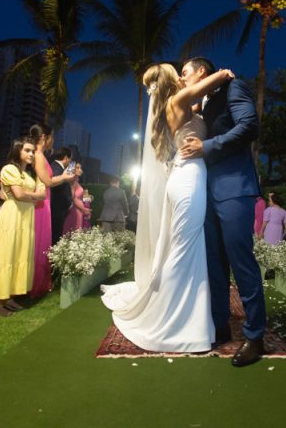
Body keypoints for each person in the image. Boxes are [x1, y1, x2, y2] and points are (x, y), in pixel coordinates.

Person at [101, 63, 235, 353]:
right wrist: (223, 74)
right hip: (188, 178)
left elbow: (199, 103)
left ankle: (189, 319)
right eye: (179, 72)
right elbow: (207, 85)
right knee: (184, 249)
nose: (183, 74)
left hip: (185, 176)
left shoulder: (179, 105)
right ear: (171, 80)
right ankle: (167, 320)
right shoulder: (178, 100)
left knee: (184, 246)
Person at [179, 57, 267, 367]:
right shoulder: (201, 104)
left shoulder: (232, 88)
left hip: (234, 188)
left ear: (202, 71)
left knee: (240, 260)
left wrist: (207, 145)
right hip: (206, 191)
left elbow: (249, 126)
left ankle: (255, 336)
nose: (181, 77)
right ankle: (219, 325)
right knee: (214, 261)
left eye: (185, 72)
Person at [0, 137, 46, 316]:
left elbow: (39, 194)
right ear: (18, 151)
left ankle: (9, 298)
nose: (31, 154)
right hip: (12, 217)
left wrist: (30, 195)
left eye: (32, 151)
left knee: (19, 255)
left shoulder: (28, 175)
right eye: (27, 150)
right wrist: (34, 195)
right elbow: (18, 194)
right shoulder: (9, 169)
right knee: (5, 255)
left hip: (25, 218)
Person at [29, 124, 75, 298]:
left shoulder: (40, 155)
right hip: (43, 201)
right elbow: (47, 181)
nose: (52, 141)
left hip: (46, 201)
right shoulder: (39, 155)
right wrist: (63, 177)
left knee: (44, 242)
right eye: (52, 137)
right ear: (44, 138)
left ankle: (38, 282)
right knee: (41, 243)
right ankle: (35, 283)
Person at [49, 147, 74, 246]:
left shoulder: (61, 169)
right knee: (55, 236)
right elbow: (54, 184)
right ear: (66, 158)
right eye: (70, 158)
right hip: (56, 208)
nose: (71, 161)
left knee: (57, 235)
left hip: (60, 208)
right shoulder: (56, 167)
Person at [63, 163, 90, 235]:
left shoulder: (75, 181)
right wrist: (83, 209)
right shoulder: (71, 181)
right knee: (71, 233)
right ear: (72, 169)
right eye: (78, 168)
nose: (80, 170)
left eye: (80, 168)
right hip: (73, 211)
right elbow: (72, 198)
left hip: (78, 211)